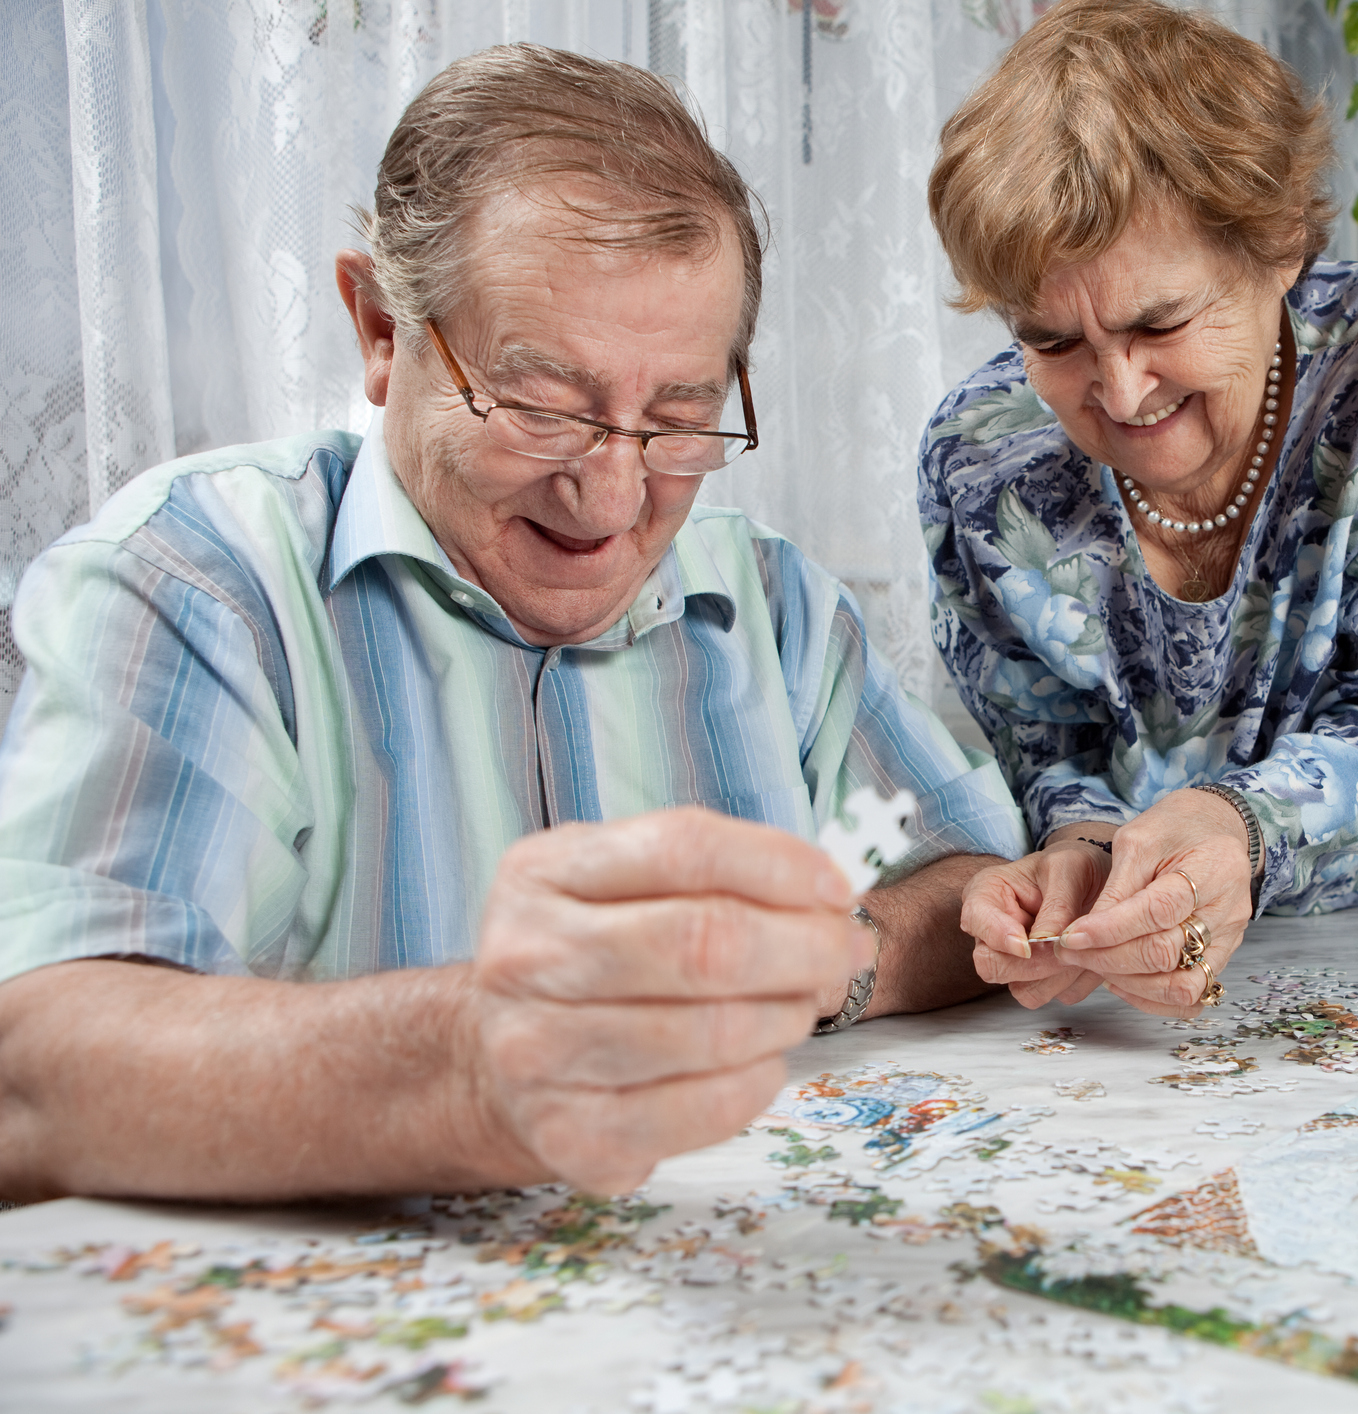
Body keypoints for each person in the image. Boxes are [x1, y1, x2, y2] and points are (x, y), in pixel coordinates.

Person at [0, 45, 1025, 1204]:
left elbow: (967, 881)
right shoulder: (198, 576)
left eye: (679, 415)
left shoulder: (773, 600)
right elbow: (37, 1066)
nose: (612, 497)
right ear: (383, 329)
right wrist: (472, 1061)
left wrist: (822, 964)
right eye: (543, 408)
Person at [920, 0, 1358, 1018]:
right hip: (1112, 1011)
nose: (1118, 391)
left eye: (1160, 321)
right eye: (1053, 341)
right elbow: (1047, 762)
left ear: (1278, 245)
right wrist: (1076, 856)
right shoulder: (980, 456)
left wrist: (1235, 826)